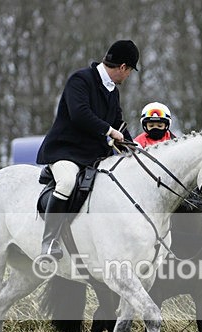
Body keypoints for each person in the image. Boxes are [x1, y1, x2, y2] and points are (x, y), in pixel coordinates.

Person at [36, 39, 139, 259]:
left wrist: (134, 149)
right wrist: (110, 131)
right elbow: (80, 114)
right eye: (129, 71)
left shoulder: (112, 91)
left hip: (94, 156)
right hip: (66, 151)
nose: (128, 76)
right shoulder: (81, 80)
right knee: (67, 182)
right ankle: (49, 242)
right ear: (123, 67)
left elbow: (118, 123)